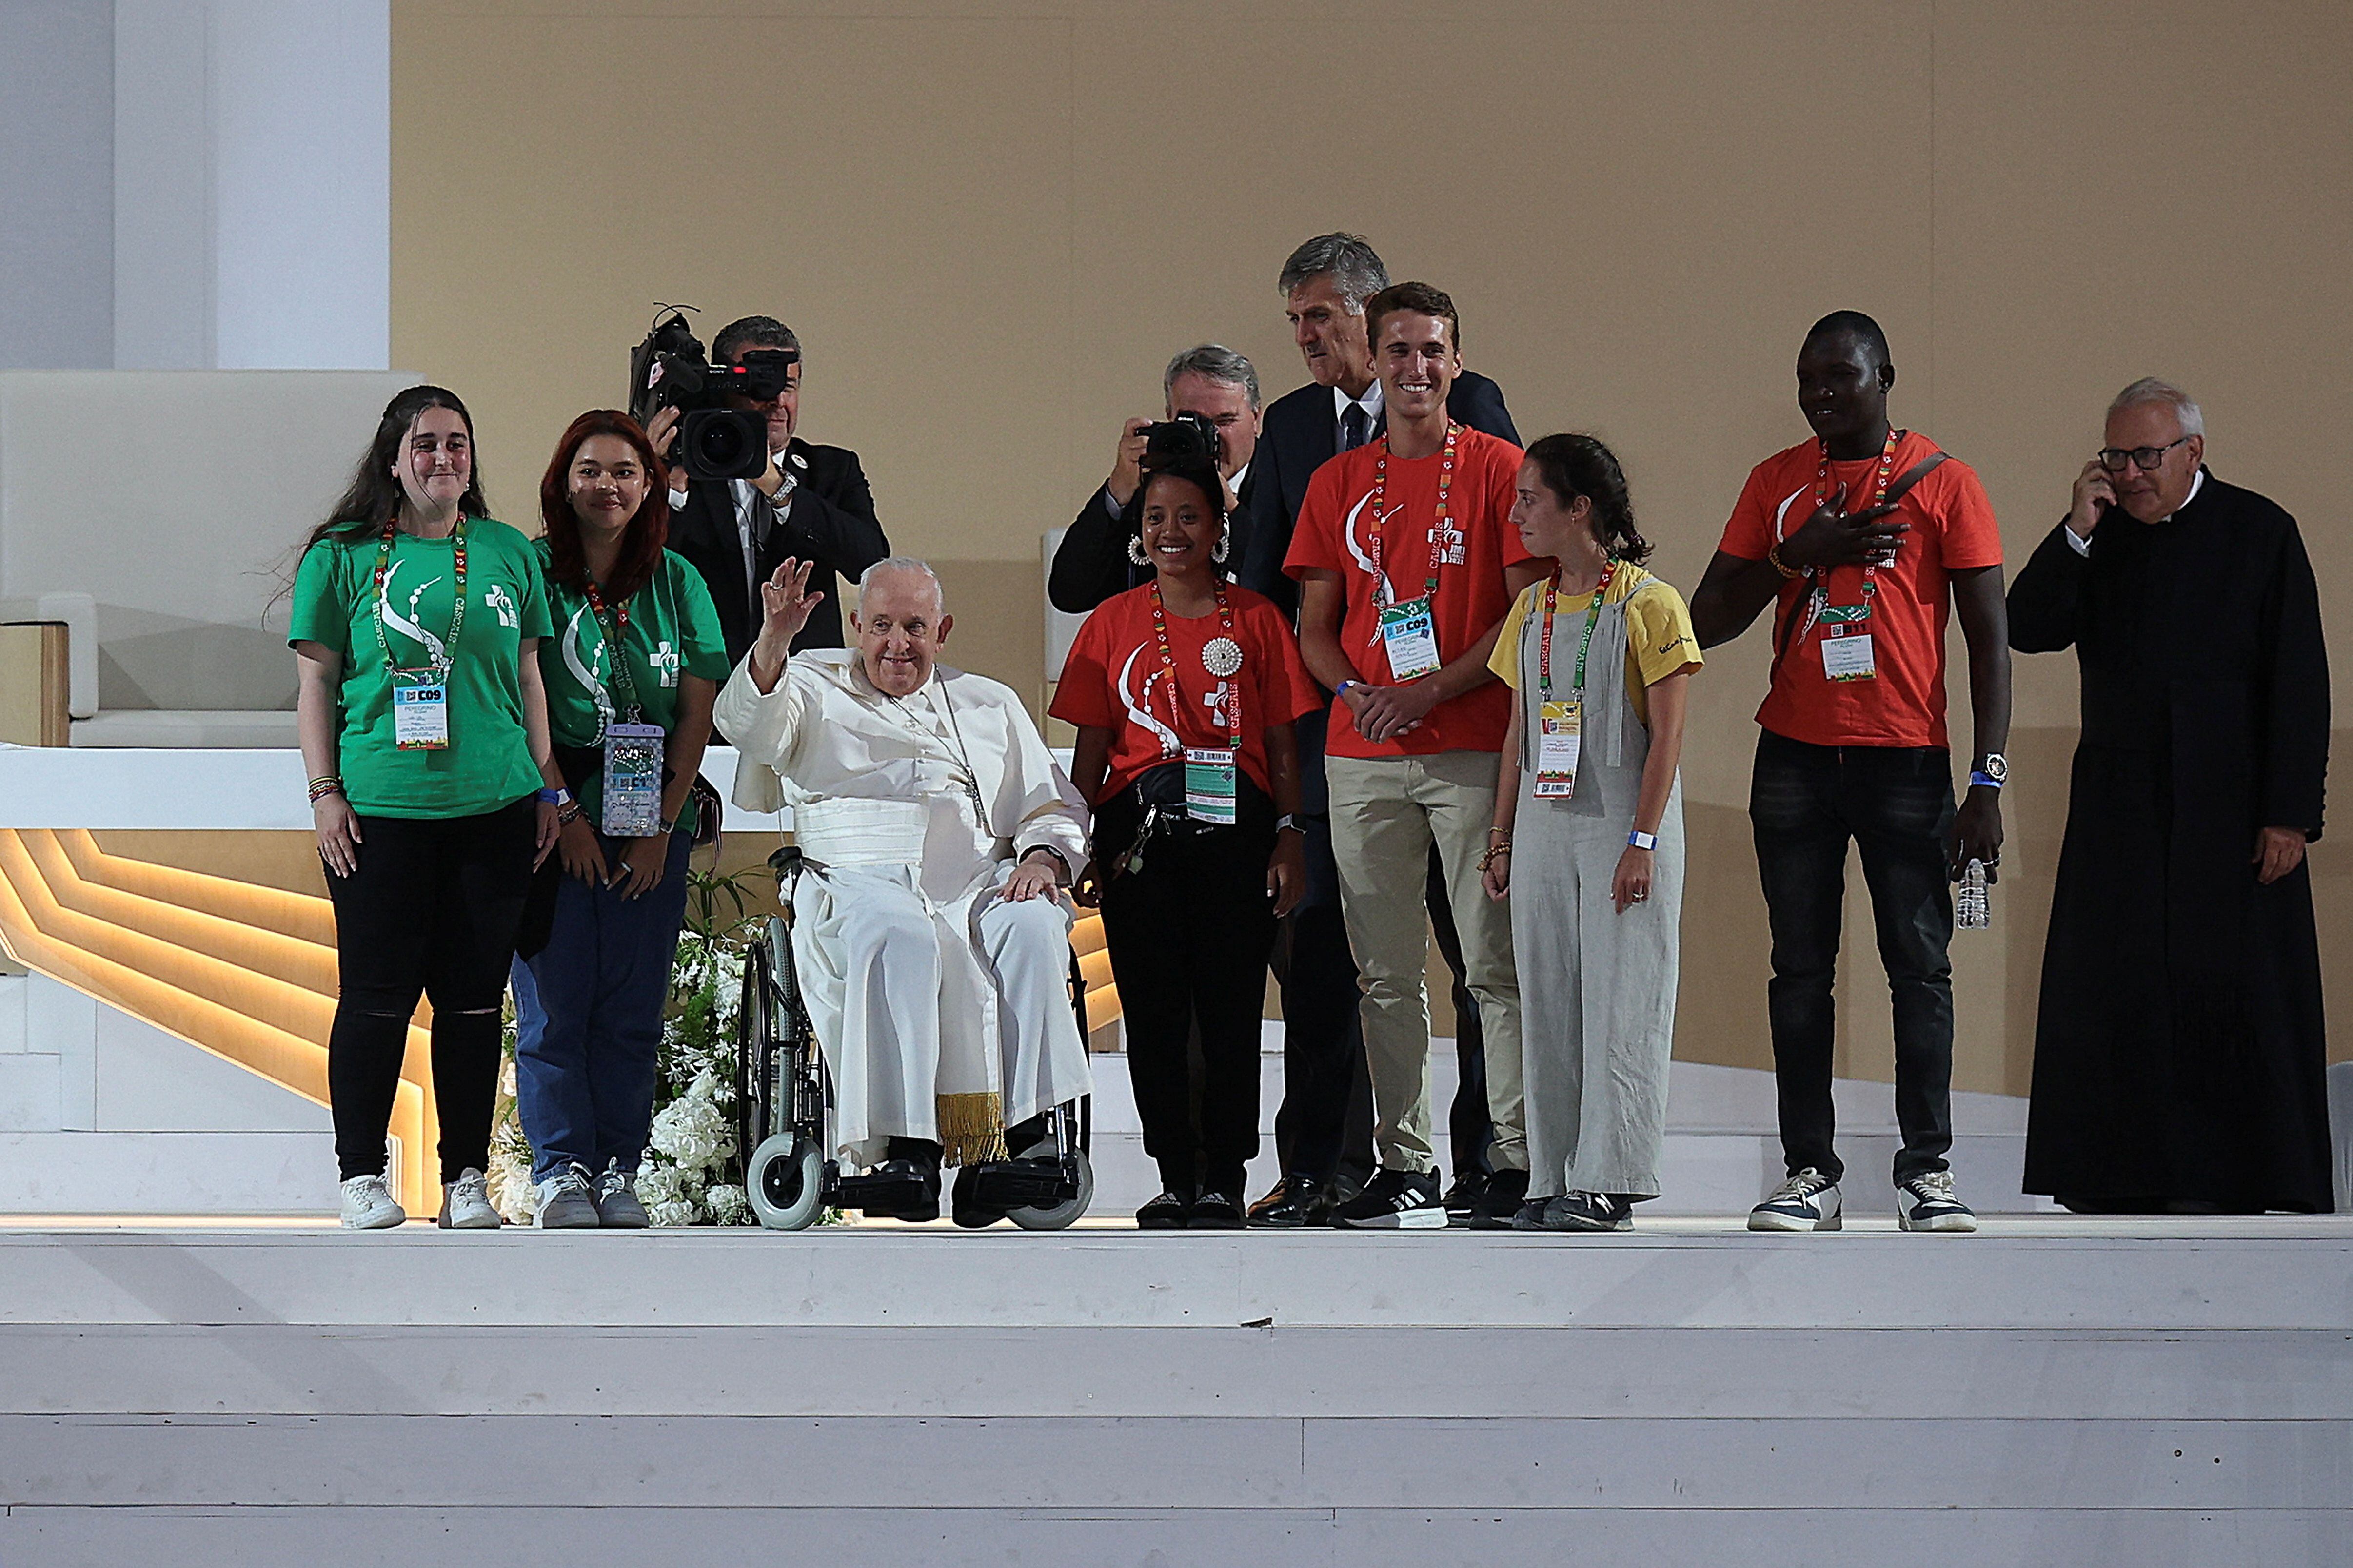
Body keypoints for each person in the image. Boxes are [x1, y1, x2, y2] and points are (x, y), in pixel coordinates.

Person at [1689, 310, 2010, 1235]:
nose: (1823, 393)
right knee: (1799, 969)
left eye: (1843, 375)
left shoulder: (1947, 482)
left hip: (1908, 759)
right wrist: (1800, 555)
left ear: (1887, 377)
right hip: (1793, 755)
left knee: (1921, 967)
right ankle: (1809, 1172)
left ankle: (1929, 1170)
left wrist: (1987, 782)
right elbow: (1707, 618)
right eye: (1808, 379)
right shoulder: (1777, 482)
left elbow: (1992, 648)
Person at [1238, 233, 1523, 1229]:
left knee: (1488, 962)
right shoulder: (1316, 459)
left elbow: (1523, 603)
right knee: (1374, 973)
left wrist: (1435, 688)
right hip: (1355, 749)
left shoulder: (1489, 449)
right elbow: (1296, 610)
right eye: (1397, 350)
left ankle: (1507, 1158)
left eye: (1428, 350)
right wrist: (1358, 694)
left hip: (1472, 740)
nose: (1412, 367)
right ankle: (1392, 1166)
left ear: (1448, 358)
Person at [2009, 379, 2332, 1214]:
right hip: (2125, 815)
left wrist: (2290, 814)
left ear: (2194, 452)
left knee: (2232, 1001)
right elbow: (2027, 625)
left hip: (2235, 820)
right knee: (2123, 999)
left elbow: (2300, 684)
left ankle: (2239, 1179)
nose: (2130, 472)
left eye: (2146, 455)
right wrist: (2077, 529)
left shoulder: (2262, 533)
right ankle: (2114, 1179)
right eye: (2115, 456)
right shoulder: (2102, 539)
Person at [715, 554, 1092, 1224]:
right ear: (857, 625)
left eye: (915, 627)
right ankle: (902, 1149)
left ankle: (1026, 1143)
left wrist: (1039, 858)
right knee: (899, 934)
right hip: (853, 878)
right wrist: (775, 637)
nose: (898, 644)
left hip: (975, 882)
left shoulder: (989, 702)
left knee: (1033, 925)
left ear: (942, 631)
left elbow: (1048, 805)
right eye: (882, 625)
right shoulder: (806, 683)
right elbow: (747, 724)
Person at [290, 385, 560, 1231]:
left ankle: (466, 1179)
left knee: (476, 1001)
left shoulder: (511, 552)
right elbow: (314, 687)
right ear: (393, 458)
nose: (444, 459)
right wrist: (325, 794)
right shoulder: (339, 557)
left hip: (497, 808)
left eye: (457, 444)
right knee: (375, 996)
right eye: (426, 444)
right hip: (381, 812)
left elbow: (528, 680)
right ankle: (362, 1176)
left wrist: (548, 786)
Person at [1051, 451, 1320, 1227]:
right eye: (1155, 518)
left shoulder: (1260, 621)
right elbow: (1092, 752)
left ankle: (1224, 1177)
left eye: (1189, 517)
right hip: (1139, 838)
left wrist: (1290, 837)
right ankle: (1174, 1174)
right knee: (1155, 1008)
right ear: (1139, 532)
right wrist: (1085, 845)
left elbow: (1278, 744)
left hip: (1237, 834)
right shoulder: (1111, 622)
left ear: (1218, 527)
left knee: (1230, 1007)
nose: (1171, 532)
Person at [514, 410, 729, 1229]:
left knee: (632, 1004)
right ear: (564, 481)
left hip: (651, 808)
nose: (609, 486)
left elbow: (696, 713)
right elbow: (522, 697)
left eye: (626, 472)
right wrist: (561, 808)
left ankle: (618, 1170)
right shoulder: (531, 570)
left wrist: (659, 826)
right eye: (592, 470)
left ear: (650, 487)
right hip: (552, 805)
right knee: (555, 1000)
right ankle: (560, 1168)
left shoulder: (680, 581)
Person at [1481, 436, 1700, 1232]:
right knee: (1547, 1002)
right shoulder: (1531, 608)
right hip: (1544, 821)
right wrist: (1500, 839)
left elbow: (1669, 736)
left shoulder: (1650, 603)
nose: (1519, 514)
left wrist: (1641, 842)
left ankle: (1611, 1177)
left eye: (1532, 498)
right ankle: (1553, 1172)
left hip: (1618, 822)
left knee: (1623, 999)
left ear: (1582, 508)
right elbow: (1517, 730)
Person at [651, 314, 890, 665]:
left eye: (788, 386)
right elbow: (643, 575)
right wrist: (666, 488)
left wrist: (777, 486)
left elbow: (871, 565)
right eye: (760, 385)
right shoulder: (684, 469)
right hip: (703, 684)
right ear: (723, 385)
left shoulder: (833, 471)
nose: (777, 400)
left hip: (806, 686)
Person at [1048, 344, 1263, 613]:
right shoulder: (1153, 493)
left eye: (1225, 420)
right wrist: (1120, 489)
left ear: (1256, 418)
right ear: (1170, 417)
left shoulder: (1286, 484)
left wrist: (1231, 506)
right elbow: (1069, 594)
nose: (1211, 435)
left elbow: (1284, 586)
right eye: (1193, 421)